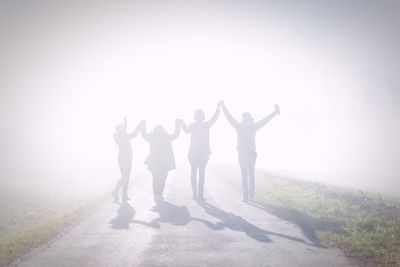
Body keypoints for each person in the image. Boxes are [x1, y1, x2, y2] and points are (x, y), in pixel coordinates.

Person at [219, 101, 280, 202]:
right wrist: (275, 112)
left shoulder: (241, 127)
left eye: (244, 118)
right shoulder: (252, 127)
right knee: (250, 175)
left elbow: (229, 118)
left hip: (245, 154)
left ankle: (247, 196)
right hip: (249, 154)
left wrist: (223, 106)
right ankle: (250, 196)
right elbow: (265, 120)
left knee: (246, 175)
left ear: (245, 119)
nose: (244, 119)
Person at [179, 104, 220, 201]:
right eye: (198, 116)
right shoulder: (204, 125)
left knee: (196, 174)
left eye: (199, 116)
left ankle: (197, 194)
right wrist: (217, 108)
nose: (199, 118)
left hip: (197, 154)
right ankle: (197, 194)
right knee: (198, 174)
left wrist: (181, 122)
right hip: (199, 154)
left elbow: (185, 130)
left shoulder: (196, 126)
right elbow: (214, 119)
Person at [141, 120, 180, 204]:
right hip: (164, 163)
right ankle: (159, 195)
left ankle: (156, 195)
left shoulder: (152, 137)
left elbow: (143, 134)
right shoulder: (166, 137)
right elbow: (176, 134)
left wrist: (143, 124)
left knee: (155, 180)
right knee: (162, 179)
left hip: (154, 163)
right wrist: (177, 124)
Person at [112, 117, 144, 203]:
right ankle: (122, 194)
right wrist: (140, 125)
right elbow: (134, 133)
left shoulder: (120, 136)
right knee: (125, 176)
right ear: (121, 130)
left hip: (124, 158)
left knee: (125, 176)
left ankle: (117, 192)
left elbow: (130, 133)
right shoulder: (121, 136)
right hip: (124, 158)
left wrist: (126, 123)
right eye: (123, 128)